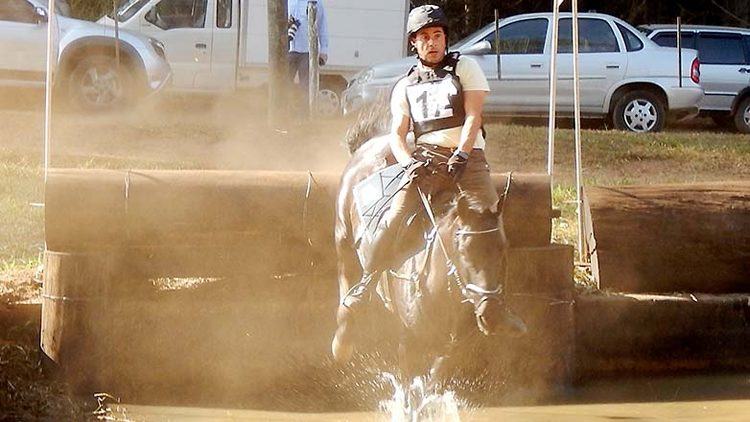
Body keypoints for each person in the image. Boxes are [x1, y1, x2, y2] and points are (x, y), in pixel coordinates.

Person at [332, 4, 525, 362]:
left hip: (468, 162)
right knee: (390, 223)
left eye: (437, 36)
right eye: (424, 38)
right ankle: (365, 285)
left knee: (490, 226)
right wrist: (409, 164)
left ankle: (497, 306)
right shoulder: (405, 85)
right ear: (414, 45)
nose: (432, 43)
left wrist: (463, 155)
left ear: (445, 39)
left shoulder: (464, 68)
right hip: (424, 163)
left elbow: (473, 117)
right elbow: (398, 133)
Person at [287, 0, 329, 111]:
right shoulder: (286, 2)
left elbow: (322, 26)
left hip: (307, 52)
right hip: (288, 50)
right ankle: (284, 115)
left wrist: (324, 49)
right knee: (283, 84)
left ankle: (304, 117)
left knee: (306, 88)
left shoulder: (316, 2)